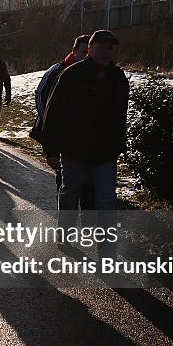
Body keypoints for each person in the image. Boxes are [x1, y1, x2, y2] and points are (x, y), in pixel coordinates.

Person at [40, 29, 129, 258]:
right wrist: (51, 149)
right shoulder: (71, 75)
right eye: (101, 47)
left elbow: (120, 117)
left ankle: (107, 253)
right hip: (74, 151)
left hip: (105, 153)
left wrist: (120, 145)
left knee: (107, 200)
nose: (106, 52)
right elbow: (53, 112)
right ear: (90, 49)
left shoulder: (118, 79)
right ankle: (66, 235)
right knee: (70, 193)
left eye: (110, 48)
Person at [32, 34, 94, 208]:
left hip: (85, 137)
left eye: (89, 52)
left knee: (87, 185)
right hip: (59, 134)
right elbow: (40, 95)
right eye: (83, 52)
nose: (86, 56)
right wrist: (48, 122)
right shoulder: (57, 71)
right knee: (65, 179)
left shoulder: (96, 73)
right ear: (74, 51)